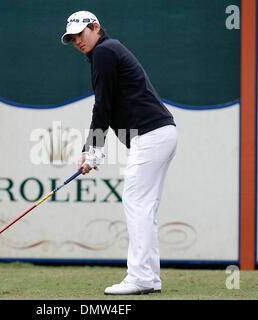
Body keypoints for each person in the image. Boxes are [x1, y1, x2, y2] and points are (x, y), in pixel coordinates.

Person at [61, 11, 178, 295]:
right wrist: (91, 150)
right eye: (73, 38)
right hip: (158, 134)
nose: (78, 41)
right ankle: (148, 278)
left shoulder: (105, 52)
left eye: (81, 34)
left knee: (136, 203)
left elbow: (102, 106)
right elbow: (109, 107)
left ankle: (140, 277)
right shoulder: (105, 53)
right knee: (144, 208)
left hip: (152, 135)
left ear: (96, 27)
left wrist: (92, 149)